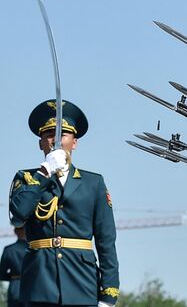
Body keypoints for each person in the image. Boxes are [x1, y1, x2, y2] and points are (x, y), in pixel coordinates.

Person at [9, 99, 119, 307]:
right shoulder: (25, 178)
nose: (56, 141)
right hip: (39, 284)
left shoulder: (93, 183)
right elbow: (17, 217)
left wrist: (109, 293)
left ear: (74, 142)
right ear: (40, 143)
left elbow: (106, 240)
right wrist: (44, 173)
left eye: (63, 135)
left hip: (82, 283)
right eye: (49, 135)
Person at [0, 223, 28, 307]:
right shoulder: (34, 249)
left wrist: (14, 277)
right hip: (32, 287)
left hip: (15, 288)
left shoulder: (9, 250)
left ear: (15, 231)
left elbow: (1, 274)